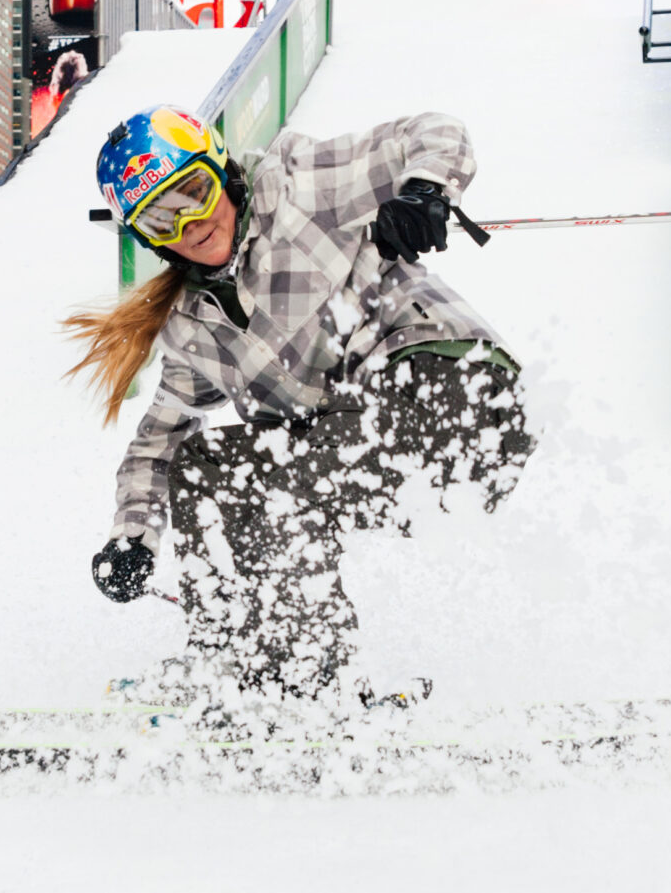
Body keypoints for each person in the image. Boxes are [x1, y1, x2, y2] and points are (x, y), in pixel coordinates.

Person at [68, 105, 532, 712]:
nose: (191, 224)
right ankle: (249, 664)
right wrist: (133, 537)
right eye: (162, 218)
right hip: (360, 444)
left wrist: (423, 193)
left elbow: (435, 131)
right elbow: (159, 443)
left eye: (195, 194)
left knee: (273, 484)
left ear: (223, 170)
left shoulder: (295, 188)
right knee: (209, 466)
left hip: (455, 395)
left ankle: (299, 672)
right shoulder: (194, 328)